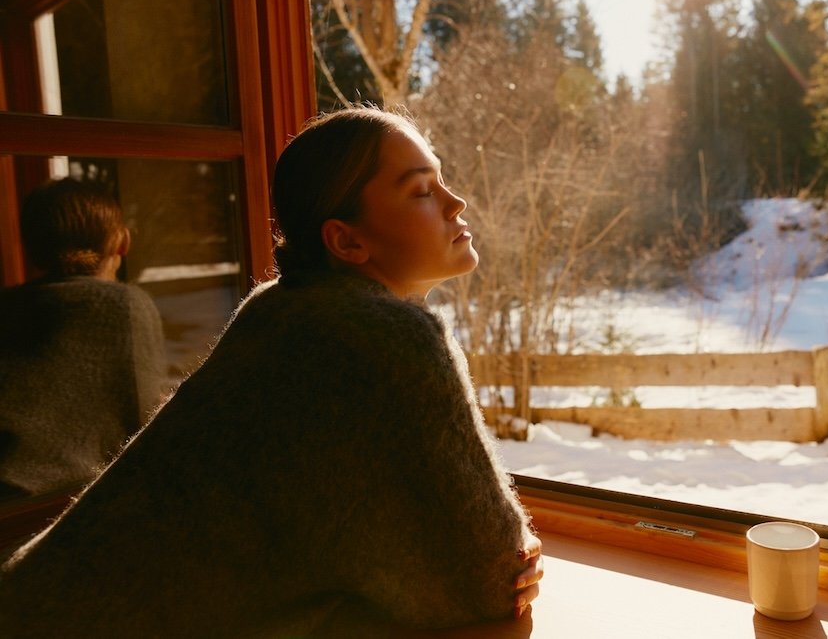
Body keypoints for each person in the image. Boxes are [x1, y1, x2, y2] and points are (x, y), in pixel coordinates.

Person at [0, 107, 543, 636]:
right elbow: (494, 578)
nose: (455, 201)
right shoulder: (386, 338)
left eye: (441, 179)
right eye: (422, 190)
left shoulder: (280, 310)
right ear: (347, 240)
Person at [0, 177, 165, 500]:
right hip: (74, 502)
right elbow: (145, 433)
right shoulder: (124, 306)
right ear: (122, 242)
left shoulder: (7, 305)